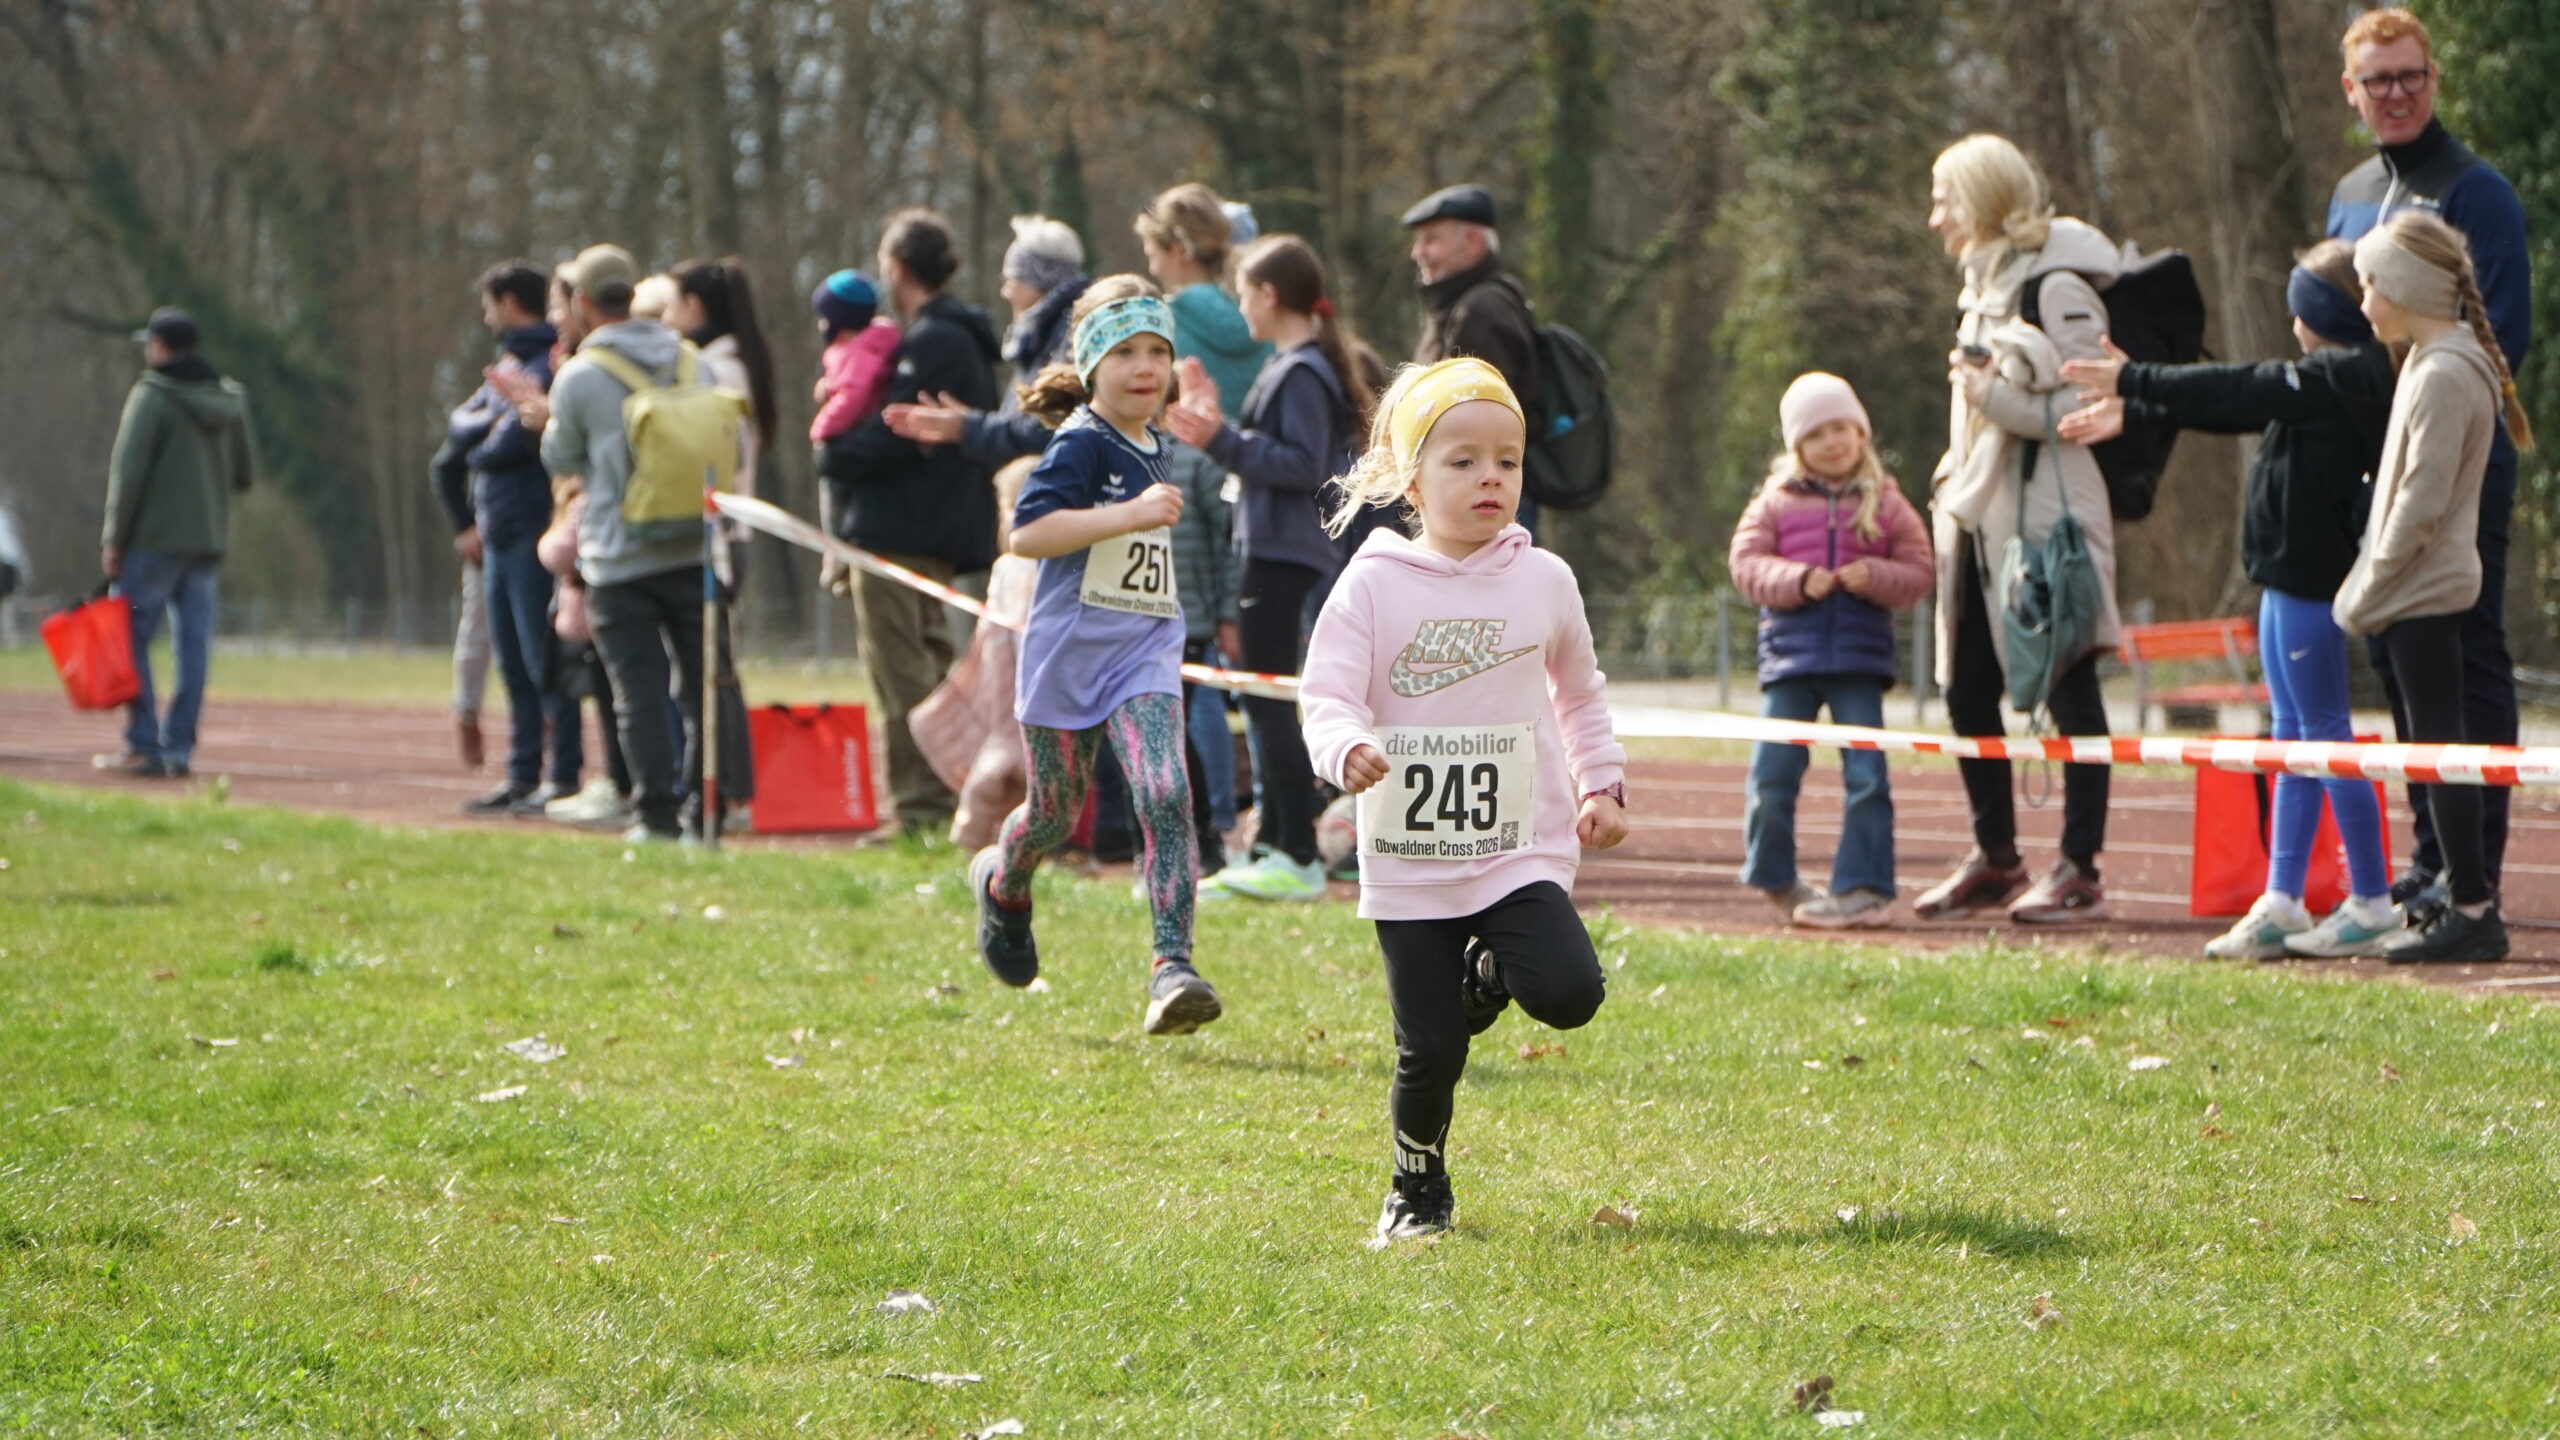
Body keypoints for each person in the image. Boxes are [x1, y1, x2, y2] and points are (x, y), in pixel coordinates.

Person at [1298, 358, 1627, 1242]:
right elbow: (1326, 693)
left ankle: (1487, 975)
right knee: (1431, 1049)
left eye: (1507, 461)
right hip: (1410, 859)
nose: (1491, 477)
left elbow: (1580, 694)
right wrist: (1345, 748)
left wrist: (1601, 782)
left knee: (1570, 990)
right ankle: (1417, 1188)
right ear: (1412, 482)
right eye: (1464, 461)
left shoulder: (1545, 580)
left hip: (1519, 846)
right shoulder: (1372, 584)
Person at [2059, 240, 2398, 959]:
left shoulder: (2344, 377)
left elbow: (2239, 387)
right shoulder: (2320, 384)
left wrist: (2134, 377)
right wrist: (2137, 407)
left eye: (2300, 309)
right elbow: (2233, 409)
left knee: (2326, 738)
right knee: (2289, 738)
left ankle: (2372, 898)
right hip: (2283, 582)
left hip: (2312, 586)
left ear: (2322, 315)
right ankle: (2283, 898)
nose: (2292, 323)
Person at [966, 277, 1224, 1036]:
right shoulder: (1080, 440)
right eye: (1124, 353)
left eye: (1157, 352)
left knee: (1165, 792)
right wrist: (1130, 515)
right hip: (1068, 654)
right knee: (1053, 813)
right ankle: (1004, 883)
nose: (1145, 368)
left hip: (1144, 649)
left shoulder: (1161, 440)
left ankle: (1172, 966)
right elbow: (1027, 535)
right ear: (1091, 364)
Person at [2323, 6, 2532, 913]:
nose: (2397, 93)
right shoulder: (2350, 192)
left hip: (2456, 458)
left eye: (2411, 75)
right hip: (2375, 458)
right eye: (2379, 80)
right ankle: (2429, 851)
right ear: (2352, 91)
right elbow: (2338, 325)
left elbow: (2499, 334)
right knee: (2399, 659)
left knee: (2466, 651)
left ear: (2434, 78)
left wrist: (2429, 429)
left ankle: (2474, 869)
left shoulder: (2476, 192)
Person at [1912, 134, 2124, 925]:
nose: (1935, 218)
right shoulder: (1980, 285)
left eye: (1945, 200)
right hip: (1976, 520)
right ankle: (1997, 857)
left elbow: (2091, 405)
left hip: (2046, 519)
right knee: (1965, 689)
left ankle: (2080, 868)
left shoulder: (2057, 287)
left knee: (2068, 686)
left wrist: (1991, 399)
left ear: (1984, 201)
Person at [2331, 213, 2530, 964]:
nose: (2362, 302)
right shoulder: (2428, 359)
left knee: (2440, 753)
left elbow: (2421, 502)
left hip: (2423, 591)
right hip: (2414, 589)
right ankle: (2463, 896)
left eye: (2370, 285)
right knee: (2432, 750)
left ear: (2408, 288)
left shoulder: (2445, 373)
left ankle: (2473, 908)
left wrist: (2367, 588)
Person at [1165, 235, 1371, 901]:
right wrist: (1217, 423)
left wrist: (1219, 438)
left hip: (1283, 551)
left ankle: (1296, 854)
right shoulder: (1293, 366)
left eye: (1243, 294)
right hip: (1272, 547)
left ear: (1269, 295)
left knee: (1269, 699)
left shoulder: (1303, 371)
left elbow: (1305, 464)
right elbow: (1274, 449)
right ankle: (1275, 846)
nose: (1239, 308)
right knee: (1264, 697)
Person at [539, 244, 741, 842]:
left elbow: (560, 455)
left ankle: (654, 816)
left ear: (582, 302)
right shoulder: (693, 362)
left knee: (639, 693)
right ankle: (707, 814)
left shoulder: (580, 375)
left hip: (618, 554)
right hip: (694, 547)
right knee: (702, 690)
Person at [819, 209, 1003, 839]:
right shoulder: (960, 337)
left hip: (902, 531)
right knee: (932, 665)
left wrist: (836, 454)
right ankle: (950, 794)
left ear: (897, 268)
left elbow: (895, 431)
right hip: (937, 529)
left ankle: (921, 806)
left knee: (902, 672)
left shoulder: (933, 342)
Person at [1727, 374, 1934, 929]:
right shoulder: (1774, 503)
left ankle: (1863, 889)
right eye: (1816, 434)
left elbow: (1919, 572)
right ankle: (1774, 877)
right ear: (1797, 446)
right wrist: (1797, 580)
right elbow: (1745, 565)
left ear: (1861, 432)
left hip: (1859, 666)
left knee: (1867, 777)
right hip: (1789, 665)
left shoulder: (1887, 502)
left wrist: (1876, 576)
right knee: (1771, 777)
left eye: (1840, 428)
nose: (1831, 442)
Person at [436, 262, 580, 819]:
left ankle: (562, 776)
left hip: (530, 529)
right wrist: (487, 431)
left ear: (507, 302)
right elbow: (465, 430)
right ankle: (522, 776)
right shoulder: (509, 367)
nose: (484, 316)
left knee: (544, 661)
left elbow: (505, 444)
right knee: (514, 667)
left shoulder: (547, 362)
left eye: (488, 304)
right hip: (497, 532)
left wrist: (485, 437)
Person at [95, 308, 255, 780]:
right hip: (207, 541)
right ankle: (178, 748)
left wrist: (114, 539)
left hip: (153, 541)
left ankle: (143, 743)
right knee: (193, 646)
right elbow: (245, 474)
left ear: (160, 346)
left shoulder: (150, 396)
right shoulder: (230, 399)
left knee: (129, 637)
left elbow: (128, 475)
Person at [878, 214, 1091, 468]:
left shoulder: (1070, 338)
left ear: (1039, 281)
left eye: (1011, 279)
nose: (1005, 292)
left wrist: (968, 428)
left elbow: (1044, 430)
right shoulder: (1046, 335)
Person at [1401, 183, 1545, 538]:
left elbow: (1481, 421)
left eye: (1431, 240)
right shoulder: (1461, 306)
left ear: (1473, 242)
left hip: (1483, 503)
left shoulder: (1482, 310)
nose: (1418, 252)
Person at [1135, 183, 1271, 415]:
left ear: (1179, 251)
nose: (1152, 269)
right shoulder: (1264, 303)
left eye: (1153, 256)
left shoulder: (1168, 320)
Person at [808, 269, 901, 448]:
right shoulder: (855, 350)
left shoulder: (858, 355)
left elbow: (853, 395)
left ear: (838, 321)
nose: (820, 325)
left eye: (824, 318)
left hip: (861, 439)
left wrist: (823, 429)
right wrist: (829, 387)